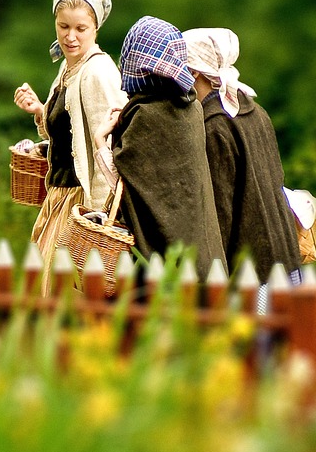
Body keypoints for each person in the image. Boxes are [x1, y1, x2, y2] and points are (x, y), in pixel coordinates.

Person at [13, 0, 126, 294]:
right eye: (63, 27)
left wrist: (98, 213)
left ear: (95, 29)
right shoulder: (68, 67)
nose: (70, 36)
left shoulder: (98, 72)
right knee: (40, 290)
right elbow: (70, 130)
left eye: (80, 28)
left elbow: (110, 145)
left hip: (80, 200)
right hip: (58, 196)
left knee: (58, 293)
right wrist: (40, 110)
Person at [92, 17, 225, 278]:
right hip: (203, 252)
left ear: (135, 63)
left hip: (163, 257)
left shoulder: (144, 115)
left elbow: (123, 186)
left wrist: (100, 139)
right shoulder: (192, 108)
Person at [183, 27, 302, 306]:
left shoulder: (215, 126)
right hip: (285, 253)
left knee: (254, 337)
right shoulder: (256, 111)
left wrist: (210, 277)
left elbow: (219, 211)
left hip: (254, 271)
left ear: (195, 72)